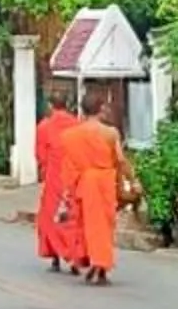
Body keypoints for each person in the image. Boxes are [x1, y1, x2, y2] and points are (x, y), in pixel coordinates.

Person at [55, 98, 131, 284]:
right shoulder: (110, 133)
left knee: (89, 226)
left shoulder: (70, 135)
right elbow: (120, 161)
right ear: (101, 109)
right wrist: (131, 181)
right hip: (105, 182)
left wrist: (67, 193)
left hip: (85, 183)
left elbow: (68, 167)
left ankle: (94, 262)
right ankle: (101, 266)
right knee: (104, 227)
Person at [33, 83, 83, 272]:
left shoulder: (45, 126)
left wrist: (44, 171)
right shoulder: (77, 124)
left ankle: (55, 257)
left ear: (50, 106)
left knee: (50, 217)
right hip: (74, 177)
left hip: (54, 178)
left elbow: (40, 155)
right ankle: (74, 256)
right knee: (72, 217)